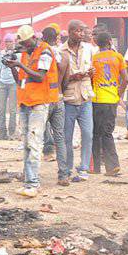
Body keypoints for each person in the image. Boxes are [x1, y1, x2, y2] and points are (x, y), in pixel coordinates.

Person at [2, 25, 59, 197]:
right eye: (23, 44)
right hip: (26, 102)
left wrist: (19, 63)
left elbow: (40, 76)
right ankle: (29, 181)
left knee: (34, 143)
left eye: (26, 43)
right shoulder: (27, 54)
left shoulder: (45, 51)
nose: (24, 46)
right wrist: (12, 67)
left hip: (40, 103)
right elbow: (20, 81)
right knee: (26, 143)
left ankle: (33, 184)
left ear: (34, 38)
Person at [60, 19, 95, 181]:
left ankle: (84, 168)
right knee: (67, 137)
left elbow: (93, 70)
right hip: (68, 99)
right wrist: (73, 76)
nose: (82, 34)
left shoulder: (88, 49)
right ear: (70, 31)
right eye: (78, 31)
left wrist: (91, 73)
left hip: (86, 97)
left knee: (88, 134)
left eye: (83, 31)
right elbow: (59, 78)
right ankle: (66, 169)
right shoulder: (61, 51)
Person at [91, 31, 128, 176]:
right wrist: (118, 94)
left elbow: (91, 79)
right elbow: (125, 79)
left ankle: (94, 167)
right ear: (110, 42)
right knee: (107, 133)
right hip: (111, 100)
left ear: (97, 44)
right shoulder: (118, 57)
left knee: (95, 133)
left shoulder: (94, 58)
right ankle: (112, 166)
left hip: (97, 100)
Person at [41, 25, 69, 186]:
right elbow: (66, 78)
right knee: (60, 137)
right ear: (57, 37)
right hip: (59, 97)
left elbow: (39, 76)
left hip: (45, 98)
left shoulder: (42, 53)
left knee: (37, 134)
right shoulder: (63, 56)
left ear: (44, 37)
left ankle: (30, 175)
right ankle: (63, 175)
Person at [0, 33, 18, 139]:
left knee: (12, 109)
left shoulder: (17, 53)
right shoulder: (1, 53)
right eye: (6, 41)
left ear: (13, 42)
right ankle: (2, 132)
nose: (8, 43)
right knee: (1, 109)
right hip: (2, 83)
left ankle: (12, 132)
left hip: (13, 83)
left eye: (10, 41)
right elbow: (1, 67)